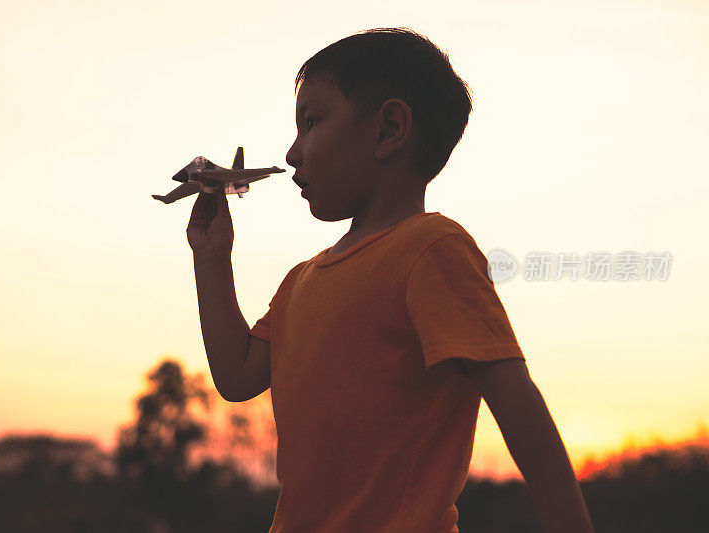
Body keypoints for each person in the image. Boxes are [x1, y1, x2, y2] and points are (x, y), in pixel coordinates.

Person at [188, 27, 595, 533]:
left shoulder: (432, 250)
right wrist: (210, 257)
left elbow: (518, 406)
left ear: (388, 130)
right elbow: (236, 376)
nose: (292, 153)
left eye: (311, 122)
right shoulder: (301, 282)